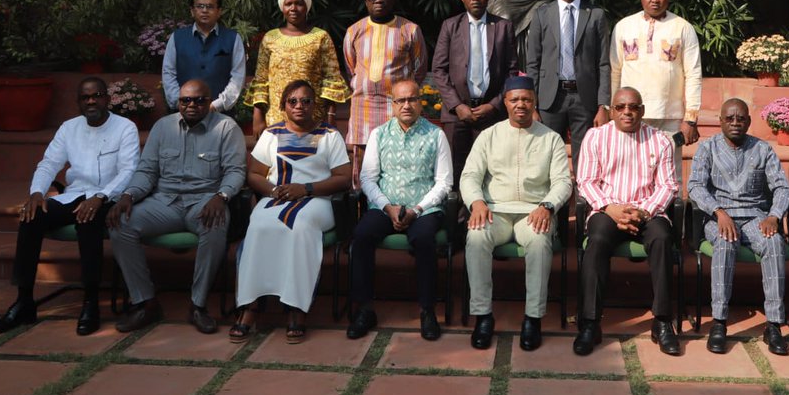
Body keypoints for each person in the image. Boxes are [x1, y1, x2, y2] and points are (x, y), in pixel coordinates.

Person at [0, 77, 139, 336]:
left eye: (96, 95)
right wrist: (36, 192)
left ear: (107, 98)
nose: (91, 101)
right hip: (73, 195)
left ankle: (90, 303)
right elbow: (49, 163)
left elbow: (128, 171)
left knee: (88, 218)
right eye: (85, 97)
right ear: (78, 102)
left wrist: (101, 197)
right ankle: (24, 300)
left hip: (108, 198)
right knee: (31, 217)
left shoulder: (125, 128)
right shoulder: (69, 128)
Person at [107, 79, 246, 334]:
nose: (192, 105)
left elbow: (235, 171)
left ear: (210, 100)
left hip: (204, 201)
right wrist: (128, 195)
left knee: (216, 223)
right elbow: (147, 171)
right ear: (178, 102)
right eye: (186, 100)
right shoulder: (163, 127)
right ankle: (145, 303)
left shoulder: (227, 127)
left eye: (199, 100)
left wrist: (222, 196)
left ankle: (198, 305)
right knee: (121, 223)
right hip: (164, 202)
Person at [228, 80, 352, 344]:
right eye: (292, 101)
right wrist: (274, 192)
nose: (299, 106)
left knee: (300, 225)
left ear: (314, 105)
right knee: (259, 224)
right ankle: (250, 306)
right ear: (283, 105)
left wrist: (306, 189)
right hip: (278, 197)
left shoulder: (330, 134)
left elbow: (343, 177)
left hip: (318, 200)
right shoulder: (271, 134)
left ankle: (296, 308)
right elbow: (254, 174)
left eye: (306, 101)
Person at [460, 76, 572, 351]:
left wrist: (547, 206)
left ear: (534, 102)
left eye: (526, 100)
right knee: (476, 237)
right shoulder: (489, 135)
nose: (520, 105)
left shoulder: (551, 139)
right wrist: (476, 202)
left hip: (533, 212)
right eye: (514, 100)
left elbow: (563, 182)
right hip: (494, 211)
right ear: (506, 103)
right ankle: (483, 316)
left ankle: (533, 318)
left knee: (538, 239)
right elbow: (470, 175)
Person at [574, 87, 681, 357]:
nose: (627, 112)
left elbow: (669, 186)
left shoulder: (660, 140)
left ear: (642, 110)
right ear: (611, 110)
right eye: (620, 107)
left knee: (662, 239)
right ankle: (590, 322)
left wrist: (643, 212)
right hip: (607, 208)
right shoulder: (596, 137)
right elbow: (585, 181)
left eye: (633, 107)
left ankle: (663, 321)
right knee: (596, 241)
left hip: (647, 210)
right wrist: (611, 209)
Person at [347, 79, 453, 341]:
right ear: (392, 105)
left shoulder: (435, 134)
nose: (407, 105)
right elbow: (368, 178)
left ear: (420, 102)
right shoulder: (378, 134)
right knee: (362, 235)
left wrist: (417, 209)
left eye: (412, 99)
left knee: (424, 238)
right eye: (400, 100)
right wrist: (387, 206)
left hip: (424, 208)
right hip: (385, 206)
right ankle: (364, 308)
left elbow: (444, 181)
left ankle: (427, 310)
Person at [688, 98, 789, 356]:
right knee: (725, 242)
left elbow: (781, 186)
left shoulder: (762, 149)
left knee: (774, 243)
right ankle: (719, 323)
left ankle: (773, 325)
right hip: (719, 217)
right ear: (720, 121)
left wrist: (774, 216)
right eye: (730, 118)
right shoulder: (707, 148)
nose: (735, 123)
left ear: (748, 121)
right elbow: (695, 186)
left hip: (756, 217)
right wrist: (718, 211)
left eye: (741, 118)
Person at [343, 0, 428, 187]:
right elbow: (350, 68)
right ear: (366, 2)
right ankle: (362, 209)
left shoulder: (409, 29)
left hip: (397, 106)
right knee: (362, 160)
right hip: (363, 107)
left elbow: (420, 67)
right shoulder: (354, 30)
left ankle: (399, 201)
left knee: (398, 155)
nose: (378, 0)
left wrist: (403, 95)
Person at [525, 0, 611, 165]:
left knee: (586, 155)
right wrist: (532, 104)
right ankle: (552, 196)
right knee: (547, 153)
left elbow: (604, 64)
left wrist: (603, 105)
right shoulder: (542, 14)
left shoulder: (596, 15)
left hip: (585, 98)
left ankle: (582, 196)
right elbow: (532, 63)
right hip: (549, 98)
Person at [431, 0, 517, 176]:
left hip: (491, 113)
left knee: (492, 170)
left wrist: (494, 105)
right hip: (457, 113)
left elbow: (511, 71)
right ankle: (459, 208)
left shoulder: (504, 27)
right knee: (455, 170)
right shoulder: (450, 26)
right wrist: (457, 105)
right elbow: (439, 69)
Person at [609, 0, 701, 148]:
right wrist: (613, 110)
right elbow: (615, 71)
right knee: (631, 167)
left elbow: (693, 74)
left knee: (669, 170)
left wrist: (690, 118)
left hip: (670, 117)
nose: (655, 0)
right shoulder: (624, 26)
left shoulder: (683, 27)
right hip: (630, 114)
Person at [249, 0, 350, 137]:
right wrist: (258, 115)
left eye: (299, 3)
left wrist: (330, 116)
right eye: (288, 4)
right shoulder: (270, 38)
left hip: (313, 119)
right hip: (276, 118)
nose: (293, 8)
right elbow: (261, 79)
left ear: (307, 7)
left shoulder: (321, 37)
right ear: (282, 8)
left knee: (312, 160)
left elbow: (331, 78)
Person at [161, 0, 246, 112]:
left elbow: (237, 77)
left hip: (219, 114)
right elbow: (168, 72)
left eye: (210, 6)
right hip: (182, 113)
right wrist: (180, 103)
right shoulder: (177, 37)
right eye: (200, 6)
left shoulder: (233, 38)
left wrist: (216, 105)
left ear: (219, 11)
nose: (205, 10)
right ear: (192, 11)